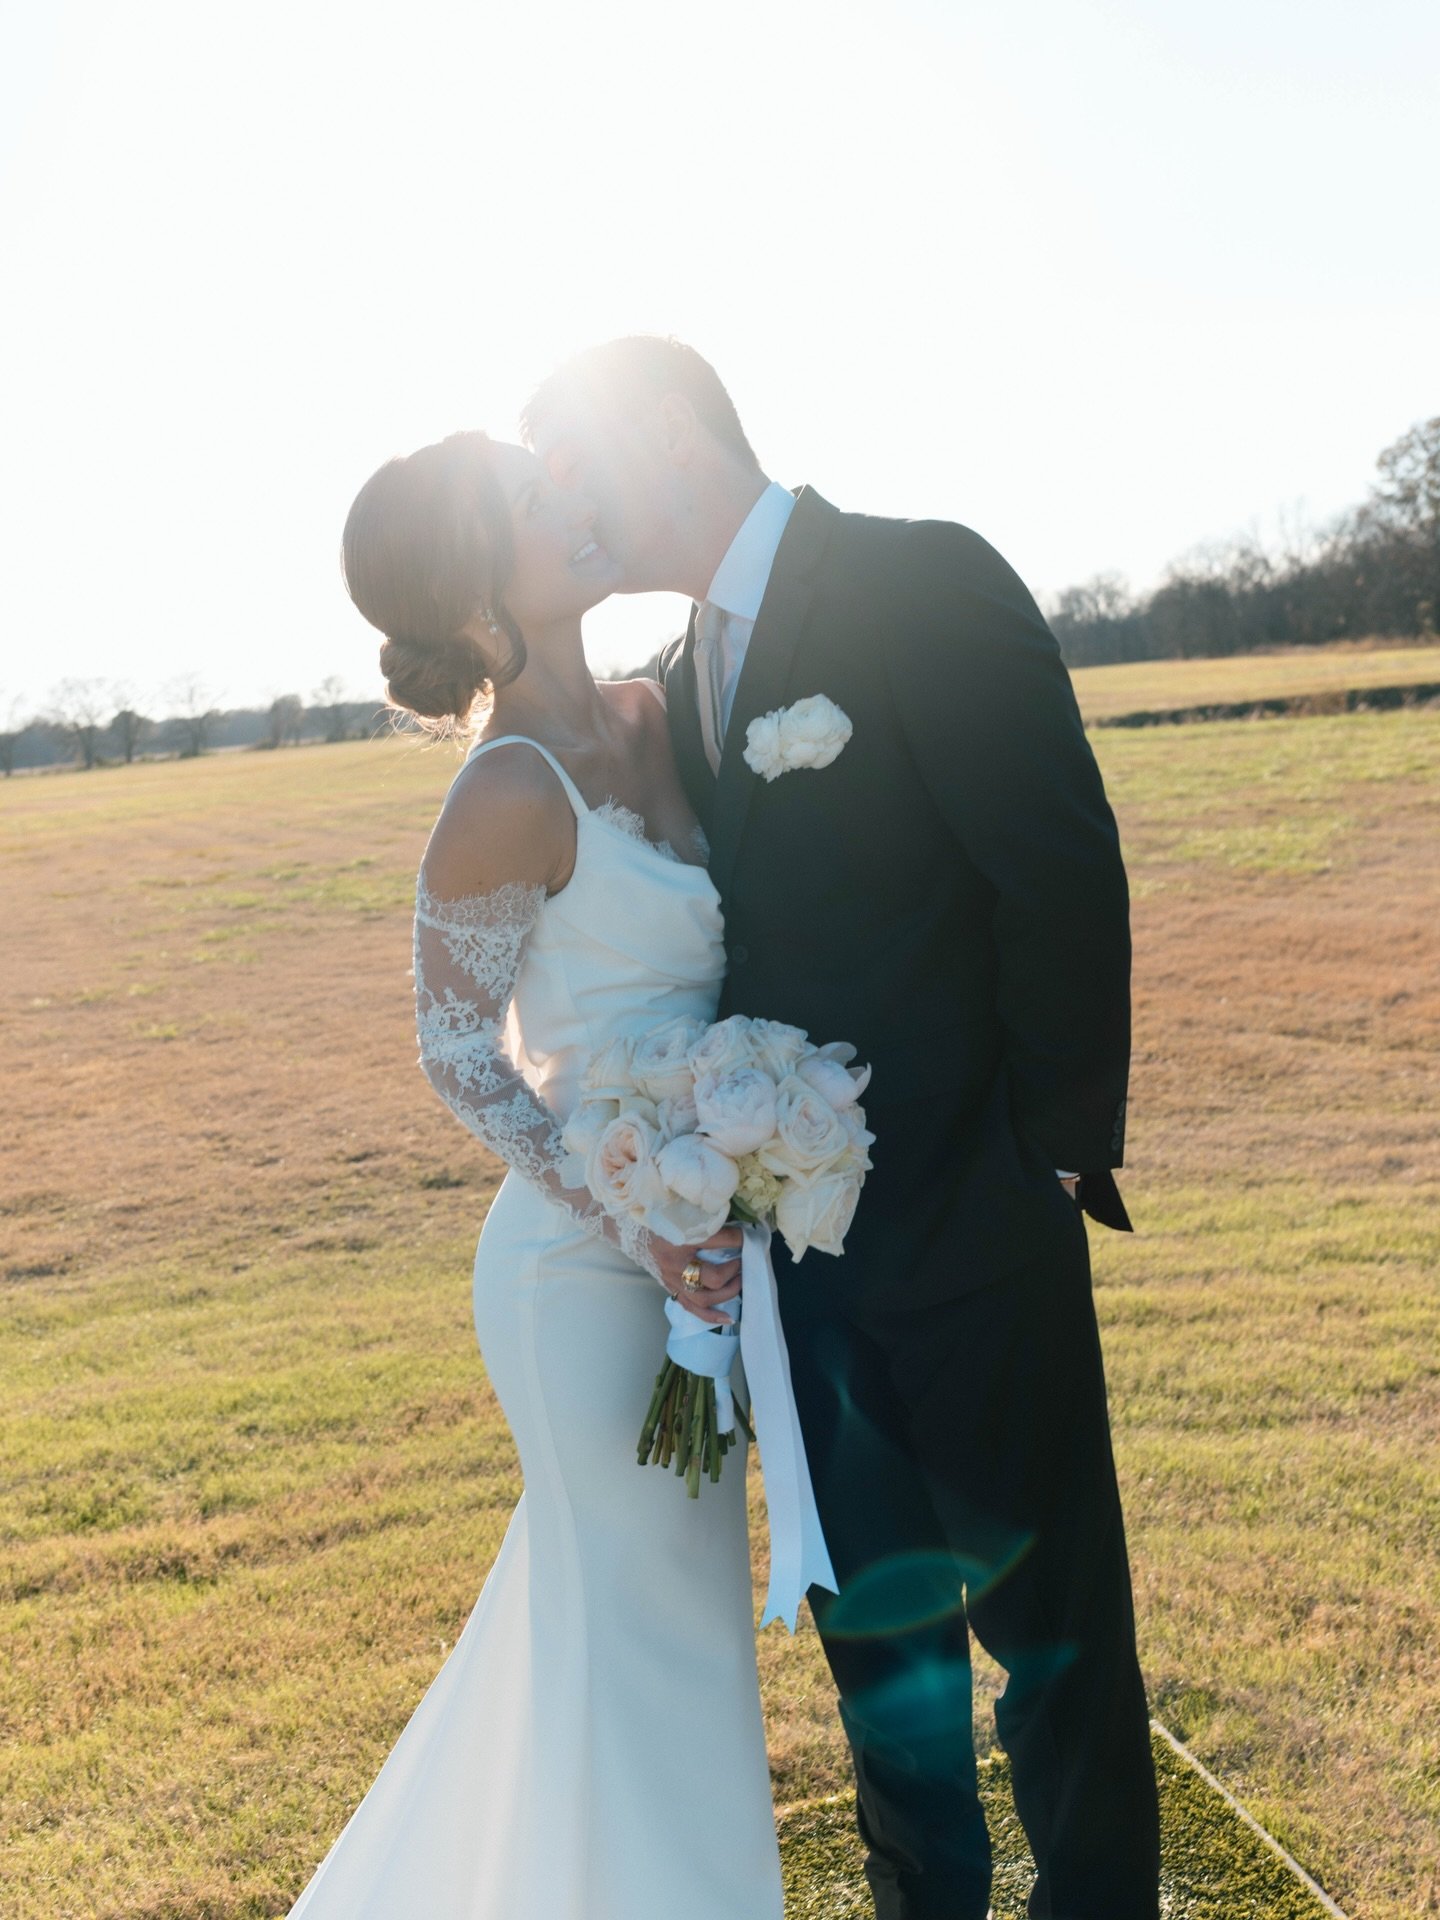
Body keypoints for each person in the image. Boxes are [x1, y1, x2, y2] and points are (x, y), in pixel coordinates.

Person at [521, 337, 1161, 1920]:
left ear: (668, 435)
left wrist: (1051, 1153)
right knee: (889, 1689)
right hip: (801, 1287)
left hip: (980, 1230)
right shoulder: (668, 692)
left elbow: (1058, 871)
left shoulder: (917, 582)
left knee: (1058, 1657)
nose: (567, 510)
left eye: (576, 467)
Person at [285, 429, 783, 1919]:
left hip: (701, 1238)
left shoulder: (654, 710)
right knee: (641, 1635)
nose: (570, 500)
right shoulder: (505, 788)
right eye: (526, 502)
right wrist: (633, 1214)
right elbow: (459, 1057)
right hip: (583, 1278)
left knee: (663, 1633)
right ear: (474, 592)